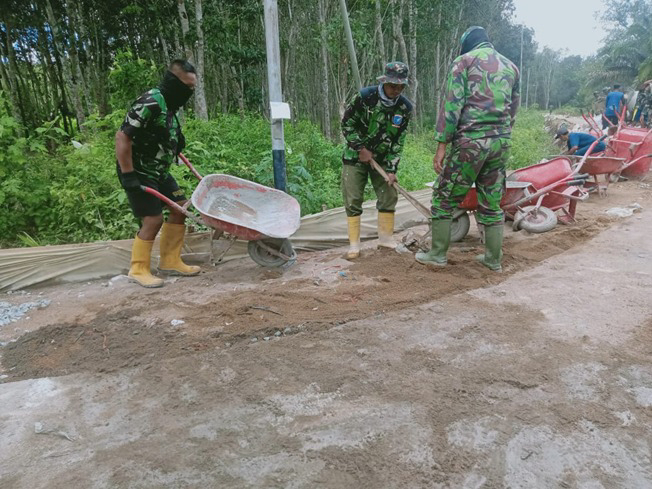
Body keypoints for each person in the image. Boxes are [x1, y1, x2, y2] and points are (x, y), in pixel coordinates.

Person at [416, 26, 519, 272]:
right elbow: (513, 108)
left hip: (470, 142)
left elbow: (452, 106)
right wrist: (501, 134)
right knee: (491, 202)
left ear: (467, 43)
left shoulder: (464, 61)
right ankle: (493, 260)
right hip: (500, 142)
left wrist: (441, 145)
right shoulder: (511, 67)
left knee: (443, 197)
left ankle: (437, 254)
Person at [115, 60, 201, 288]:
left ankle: (170, 261)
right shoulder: (151, 102)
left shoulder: (170, 105)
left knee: (180, 206)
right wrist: (128, 175)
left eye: (193, 88)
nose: (190, 92)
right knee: (153, 219)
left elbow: (161, 133)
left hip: (159, 171)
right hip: (139, 170)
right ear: (174, 82)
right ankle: (138, 269)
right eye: (187, 87)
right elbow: (122, 137)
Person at [340, 61, 413, 259]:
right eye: (392, 85)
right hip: (355, 157)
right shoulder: (365, 97)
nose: (395, 90)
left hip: (382, 159)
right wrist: (360, 149)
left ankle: (386, 239)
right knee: (353, 198)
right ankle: (354, 245)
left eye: (400, 87)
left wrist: (392, 169)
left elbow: (398, 141)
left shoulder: (405, 108)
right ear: (384, 82)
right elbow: (347, 124)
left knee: (389, 194)